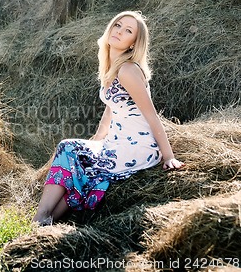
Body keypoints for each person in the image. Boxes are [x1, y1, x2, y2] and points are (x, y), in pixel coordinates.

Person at [32, 11, 184, 226]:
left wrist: (168, 156)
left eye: (128, 31)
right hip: (118, 141)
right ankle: (46, 220)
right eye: (118, 25)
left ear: (133, 43)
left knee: (71, 151)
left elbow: (151, 114)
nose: (120, 31)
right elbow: (111, 108)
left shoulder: (128, 70)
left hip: (138, 146)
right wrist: (97, 137)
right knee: (75, 154)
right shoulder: (112, 68)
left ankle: (40, 217)